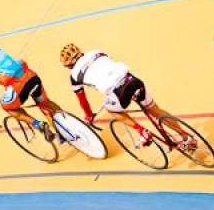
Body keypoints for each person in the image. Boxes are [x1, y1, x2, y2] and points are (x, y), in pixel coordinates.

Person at [58, 43, 188, 146]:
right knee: (154, 109)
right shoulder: (96, 52)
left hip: (117, 91)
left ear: (69, 65)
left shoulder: (74, 76)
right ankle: (186, 136)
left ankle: (141, 131)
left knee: (112, 110)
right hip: (132, 79)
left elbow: (83, 100)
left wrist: (88, 116)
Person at [0, 41, 62, 141]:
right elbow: (6, 66)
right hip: (30, 75)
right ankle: (66, 127)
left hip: (17, 88)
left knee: (8, 107)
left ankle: (38, 125)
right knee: (45, 103)